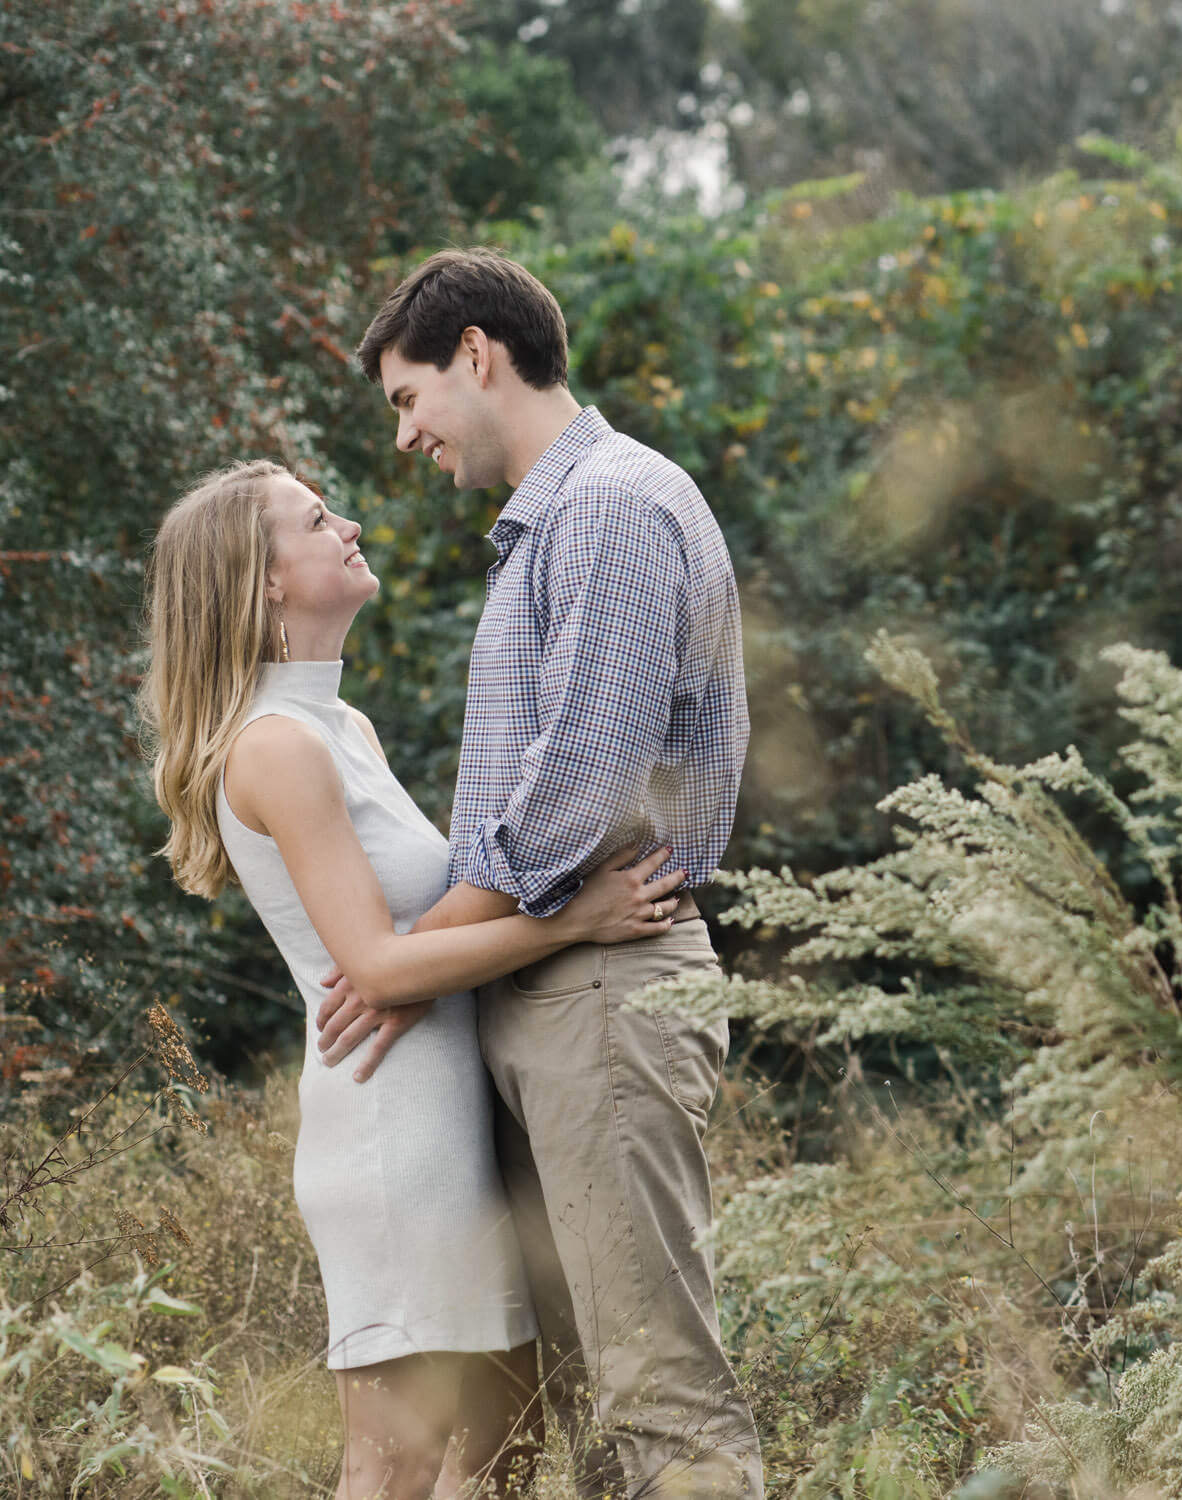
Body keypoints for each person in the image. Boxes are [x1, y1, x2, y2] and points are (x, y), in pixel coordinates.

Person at [140, 460, 690, 1499]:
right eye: (316, 517)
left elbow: (407, 938)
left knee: (505, 1440)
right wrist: (575, 918)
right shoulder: (275, 749)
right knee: (394, 1463)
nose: (348, 523)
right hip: (390, 1137)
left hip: (445, 1121)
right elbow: (380, 966)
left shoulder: (342, 730)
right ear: (262, 579)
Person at [325, 247, 762, 1499]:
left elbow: (576, 793)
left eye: (407, 400)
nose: (405, 438)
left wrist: (410, 964)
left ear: (477, 354)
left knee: (657, 1394)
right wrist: (429, 968)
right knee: (574, 1406)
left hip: (606, 995)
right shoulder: (549, 525)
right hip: (556, 985)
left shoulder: (611, 507)